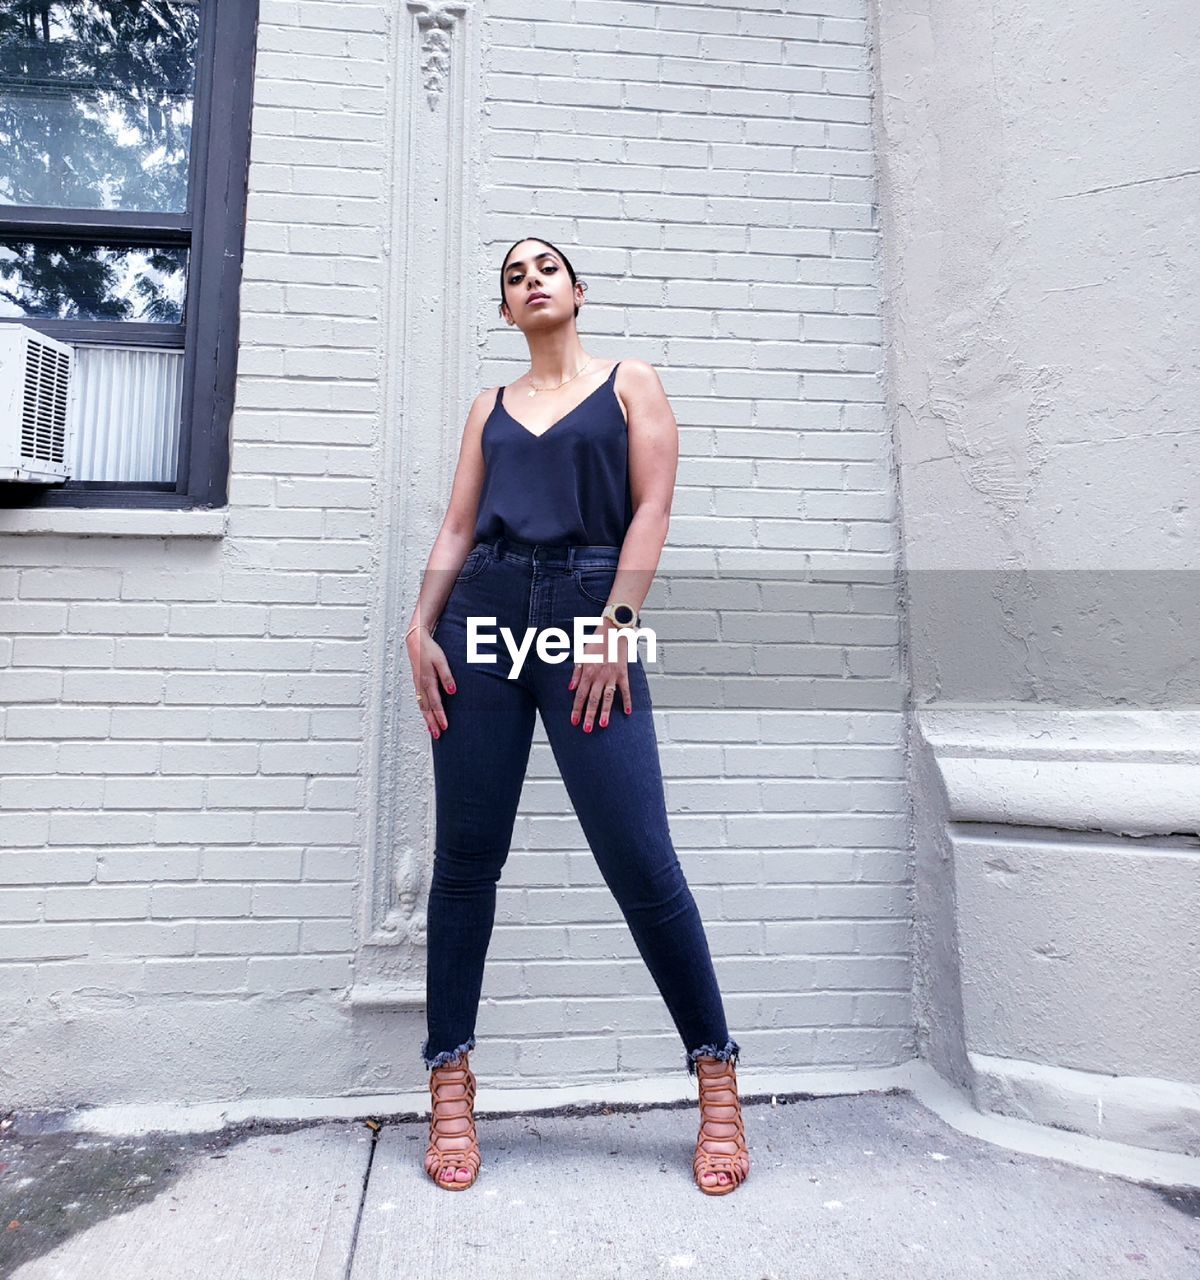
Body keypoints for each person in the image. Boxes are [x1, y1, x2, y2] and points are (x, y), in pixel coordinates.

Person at [404, 237, 750, 1196]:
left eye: (544, 266)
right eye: (513, 276)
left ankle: (716, 1080)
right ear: (506, 311)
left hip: (592, 611)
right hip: (481, 613)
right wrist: (420, 623)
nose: (531, 280)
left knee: (640, 855)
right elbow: (459, 526)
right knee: (467, 859)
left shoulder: (631, 381)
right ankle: (450, 1083)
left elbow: (653, 510)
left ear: (578, 290)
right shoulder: (490, 407)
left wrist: (615, 625)